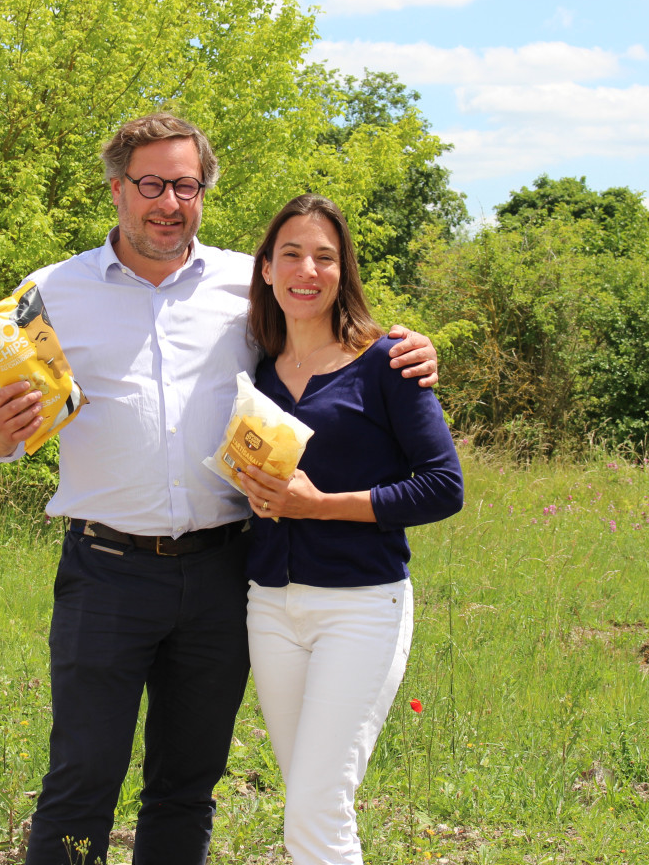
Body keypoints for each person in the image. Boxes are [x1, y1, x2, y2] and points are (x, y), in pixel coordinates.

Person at [0, 114, 440, 865]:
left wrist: (406, 346)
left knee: (186, 784)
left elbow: (328, 347)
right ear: (118, 189)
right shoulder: (51, 291)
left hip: (225, 573)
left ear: (203, 195)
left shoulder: (244, 287)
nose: (169, 202)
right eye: (151, 184)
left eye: (186, 186)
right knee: (81, 775)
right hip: (105, 572)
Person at [236, 194, 464, 865]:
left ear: (344, 271)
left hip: (362, 606)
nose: (308, 269)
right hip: (270, 607)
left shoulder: (389, 361)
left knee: (316, 805)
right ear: (268, 270)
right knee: (309, 799)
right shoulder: (258, 375)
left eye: (325, 256)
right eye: (292, 254)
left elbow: (442, 487)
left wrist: (321, 504)